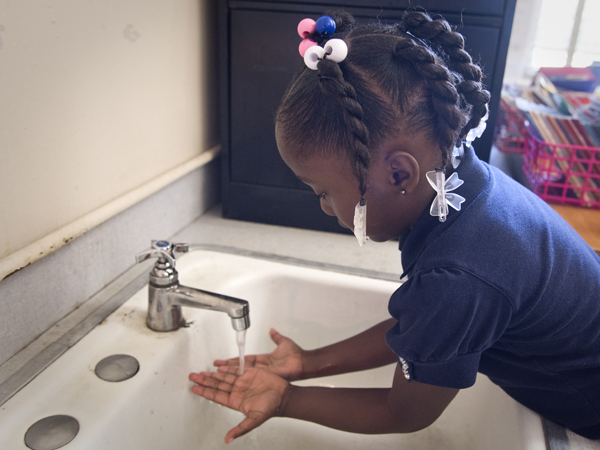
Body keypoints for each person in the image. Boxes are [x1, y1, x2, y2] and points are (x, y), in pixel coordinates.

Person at [189, 9, 600, 443]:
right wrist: (308, 362)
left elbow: (404, 412)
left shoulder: (459, 275)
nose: (325, 208)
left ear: (400, 175)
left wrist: (287, 399)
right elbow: (420, 327)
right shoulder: (462, 186)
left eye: (323, 192)